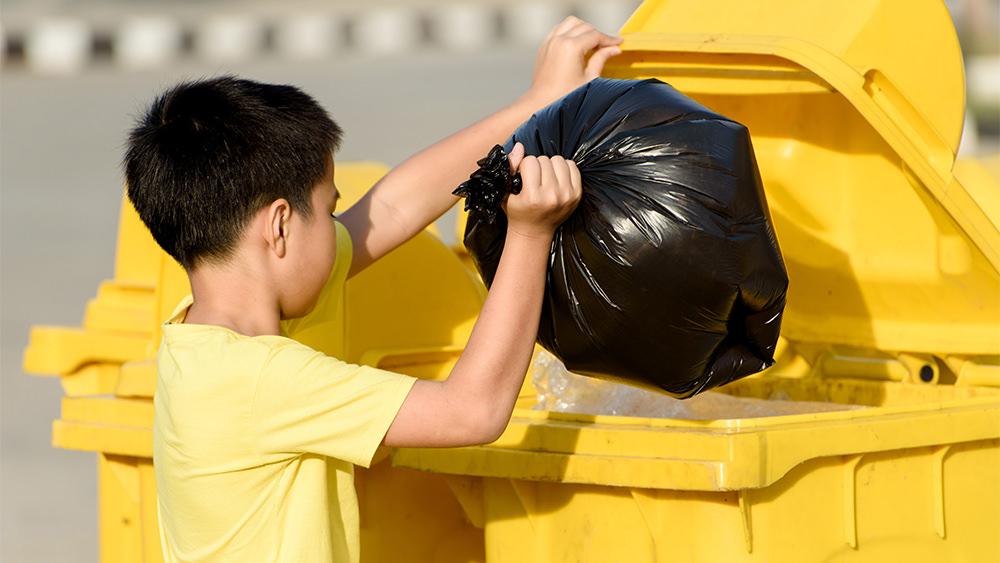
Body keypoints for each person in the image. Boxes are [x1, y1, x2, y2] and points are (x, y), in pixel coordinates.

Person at [123, 17, 621, 563]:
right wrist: (531, 233)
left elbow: (392, 207)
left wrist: (539, 101)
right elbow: (471, 412)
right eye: (331, 209)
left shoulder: (203, 334)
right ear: (279, 226)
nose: (340, 226)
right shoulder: (261, 379)